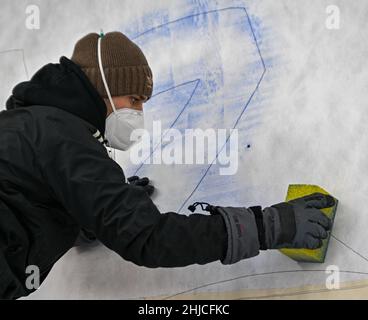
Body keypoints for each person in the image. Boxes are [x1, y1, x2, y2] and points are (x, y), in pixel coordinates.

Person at [0, 31, 334, 299]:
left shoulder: (31, 125)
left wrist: (93, 212)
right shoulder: (64, 137)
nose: (139, 114)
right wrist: (266, 227)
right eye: (134, 100)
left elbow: (30, 198)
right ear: (102, 86)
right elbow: (148, 238)